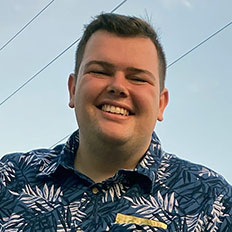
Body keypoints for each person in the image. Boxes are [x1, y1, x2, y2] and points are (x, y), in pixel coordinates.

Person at [0, 13, 231, 232]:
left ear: (161, 104)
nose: (118, 87)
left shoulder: (213, 203)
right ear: (72, 89)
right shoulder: (9, 177)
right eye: (100, 71)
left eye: (138, 78)